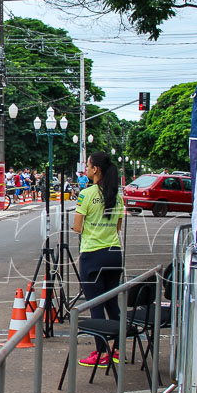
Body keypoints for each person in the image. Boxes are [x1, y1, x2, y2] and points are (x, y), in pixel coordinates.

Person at [72, 151, 124, 367]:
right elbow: (118, 227)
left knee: (95, 305)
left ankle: (101, 352)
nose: (86, 168)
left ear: (95, 170)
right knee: (113, 305)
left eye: (89, 165)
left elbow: (77, 227)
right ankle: (118, 350)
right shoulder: (117, 195)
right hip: (114, 254)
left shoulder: (87, 194)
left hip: (92, 255)